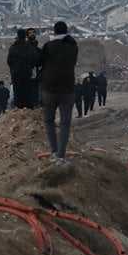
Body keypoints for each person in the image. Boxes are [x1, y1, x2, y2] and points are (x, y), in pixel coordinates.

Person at [37, 21, 79, 163]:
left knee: (49, 120)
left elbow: (38, 62)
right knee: (65, 123)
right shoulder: (73, 47)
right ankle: (61, 155)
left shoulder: (49, 46)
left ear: (54, 32)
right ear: (66, 31)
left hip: (50, 88)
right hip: (68, 89)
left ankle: (54, 151)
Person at [6, 28, 40, 109]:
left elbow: (9, 61)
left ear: (18, 36)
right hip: (27, 74)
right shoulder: (30, 47)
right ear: (25, 36)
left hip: (16, 75)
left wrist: (14, 69)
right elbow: (35, 60)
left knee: (18, 93)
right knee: (28, 93)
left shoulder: (13, 47)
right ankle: (28, 110)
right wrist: (29, 67)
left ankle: (19, 110)